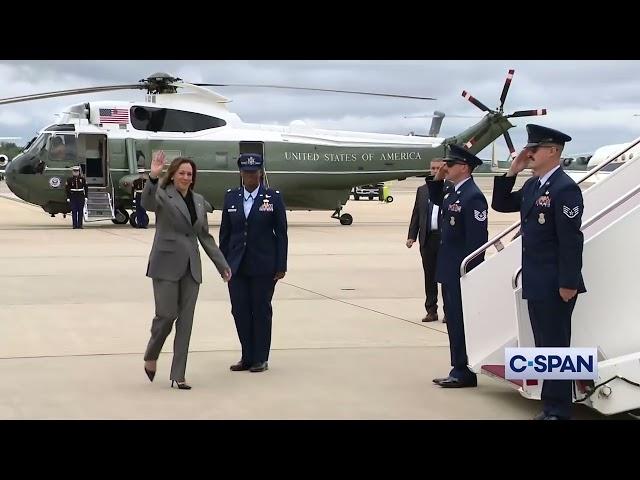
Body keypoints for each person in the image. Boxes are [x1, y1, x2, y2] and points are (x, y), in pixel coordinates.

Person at [492, 124, 586, 420]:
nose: (528, 153)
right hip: (534, 279)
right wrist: (512, 172)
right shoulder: (534, 185)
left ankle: (559, 410)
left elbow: (571, 240)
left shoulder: (565, 188)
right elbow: (501, 203)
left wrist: (569, 282)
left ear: (553, 152)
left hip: (556, 283)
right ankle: (550, 405)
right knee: (543, 346)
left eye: (534, 149)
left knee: (556, 346)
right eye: (528, 148)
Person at [141, 150, 232, 390]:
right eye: (181, 172)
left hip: (192, 267)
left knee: (186, 322)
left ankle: (178, 375)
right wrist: (153, 175)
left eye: (189, 174)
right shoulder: (162, 194)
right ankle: (152, 354)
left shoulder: (199, 201)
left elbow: (205, 236)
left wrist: (222, 265)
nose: (185, 177)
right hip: (166, 264)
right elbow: (147, 203)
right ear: (172, 176)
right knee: (166, 316)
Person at [219, 153, 288, 373]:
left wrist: (281, 265)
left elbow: (282, 234)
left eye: (254, 171)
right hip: (236, 266)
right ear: (240, 173)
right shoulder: (231, 197)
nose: (250, 176)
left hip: (263, 266)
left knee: (260, 310)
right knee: (239, 310)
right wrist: (223, 263)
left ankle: (260, 358)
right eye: (246, 172)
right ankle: (246, 356)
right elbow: (225, 234)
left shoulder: (273, 197)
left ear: (260, 172)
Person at [428, 144, 489, 388]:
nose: (445, 168)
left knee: (460, 320)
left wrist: (469, 273)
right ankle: (458, 367)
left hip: (461, 272)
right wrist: (438, 177)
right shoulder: (453, 192)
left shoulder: (473, 196)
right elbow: (435, 199)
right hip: (449, 267)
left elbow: (477, 241)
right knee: (453, 319)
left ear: (464, 168)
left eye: (450, 165)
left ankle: (463, 369)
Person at [407, 158, 444, 322]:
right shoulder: (422, 190)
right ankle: (431, 310)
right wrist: (411, 236)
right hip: (427, 239)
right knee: (429, 276)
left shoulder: (450, 188)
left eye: (438, 168)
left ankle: (449, 311)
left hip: (444, 239)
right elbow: (417, 214)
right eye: (433, 168)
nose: (435, 171)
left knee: (446, 276)